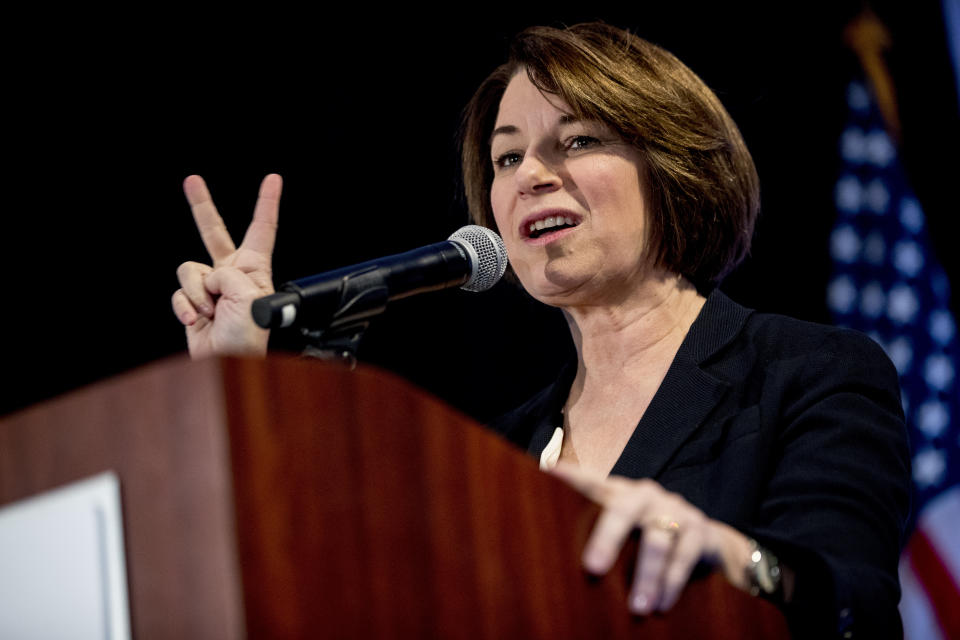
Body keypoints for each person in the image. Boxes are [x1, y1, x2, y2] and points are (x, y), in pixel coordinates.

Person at [172, 22, 911, 639]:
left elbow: (857, 604)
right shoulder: (494, 450)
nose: (529, 174)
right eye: (506, 156)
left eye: (579, 140)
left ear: (673, 164)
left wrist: (732, 555)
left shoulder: (807, 372)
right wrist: (247, 385)